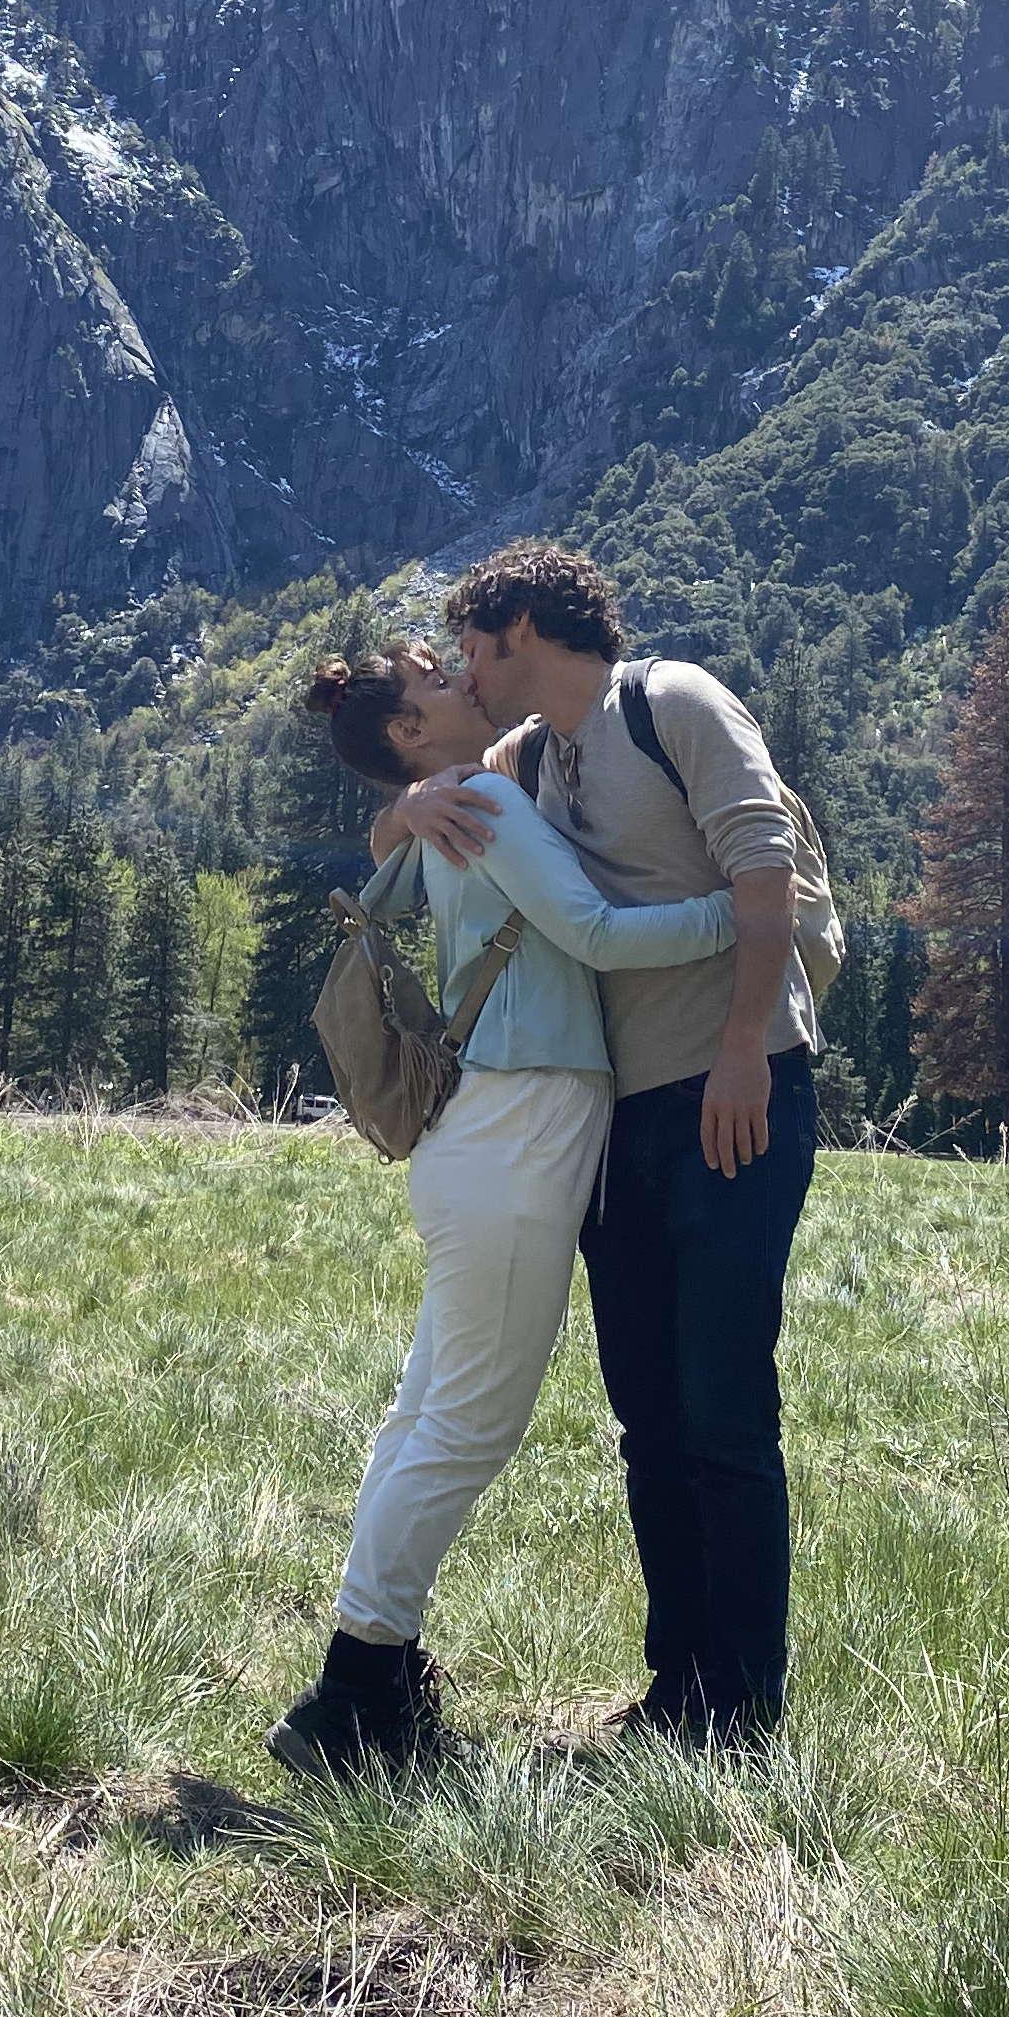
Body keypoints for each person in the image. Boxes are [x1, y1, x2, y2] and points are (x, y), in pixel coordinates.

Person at [268, 639, 746, 1783]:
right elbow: (598, 934)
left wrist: (399, 811)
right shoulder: (479, 799)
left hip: (486, 1134)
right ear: (407, 734)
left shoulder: (457, 797)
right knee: (465, 1428)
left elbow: (401, 879)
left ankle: (373, 1680)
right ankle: (352, 1696)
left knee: (426, 1419)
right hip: (517, 1131)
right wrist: (742, 913)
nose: (464, 682)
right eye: (437, 684)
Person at [368, 540, 820, 1747]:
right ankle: (679, 1690)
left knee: (723, 1409)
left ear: (519, 630)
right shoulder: (531, 754)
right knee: (649, 1416)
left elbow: (766, 872)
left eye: (472, 648)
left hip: (736, 1089)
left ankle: (744, 1711)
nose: (465, 671)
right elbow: (402, 833)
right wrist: (405, 806)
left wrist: (741, 1048)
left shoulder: (675, 705)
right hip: (625, 1120)